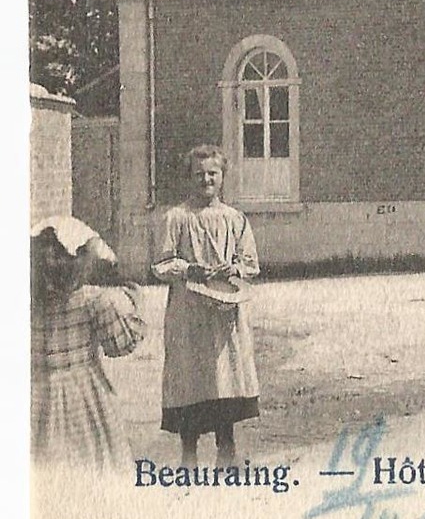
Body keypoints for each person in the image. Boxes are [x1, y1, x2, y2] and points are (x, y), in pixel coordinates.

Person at [151, 145, 261, 466]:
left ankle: (226, 448)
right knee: (190, 376)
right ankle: (189, 453)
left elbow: (250, 261)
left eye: (212, 173)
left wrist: (235, 269)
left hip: (225, 310)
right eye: (199, 174)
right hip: (189, 311)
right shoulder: (177, 218)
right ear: (189, 178)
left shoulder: (234, 219)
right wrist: (189, 269)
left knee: (223, 374)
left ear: (223, 176)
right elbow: (161, 263)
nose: (206, 180)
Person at [31, 216, 145, 472]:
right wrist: (132, 297)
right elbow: (121, 344)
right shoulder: (94, 300)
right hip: (83, 394)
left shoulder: (26, 303)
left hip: (34, 392)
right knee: (93, 464)